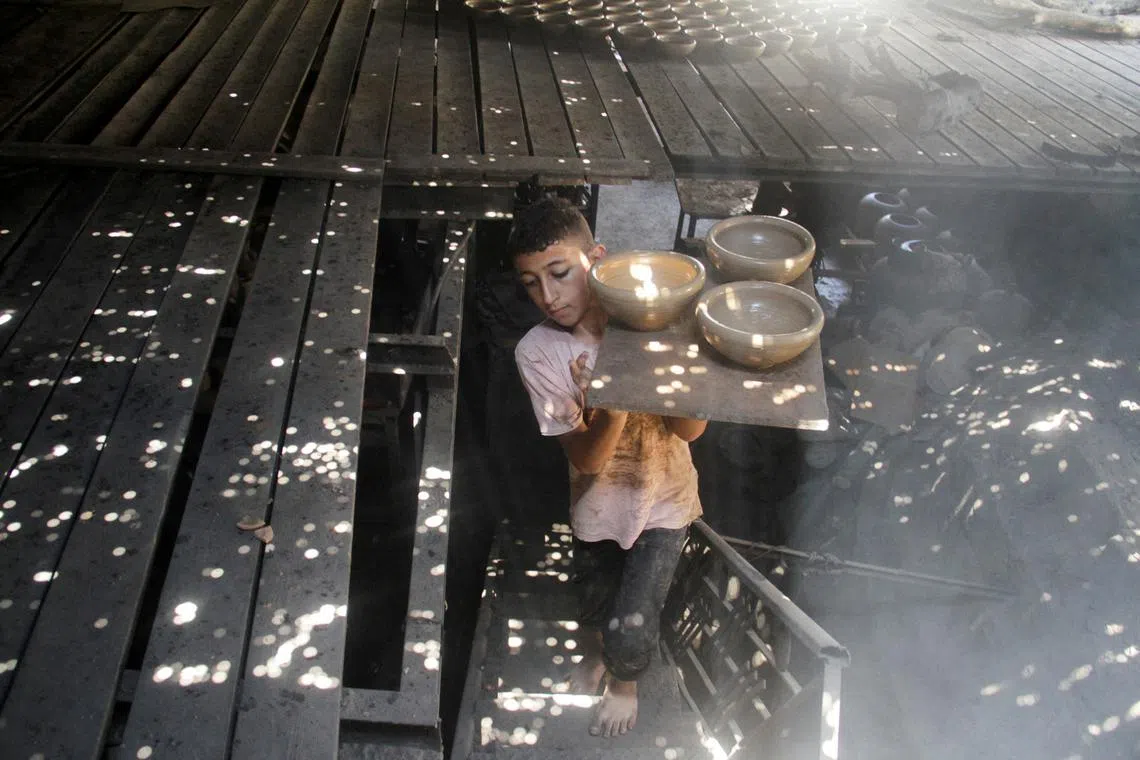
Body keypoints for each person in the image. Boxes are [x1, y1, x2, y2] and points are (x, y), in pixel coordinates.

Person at [507, 196, 706, 738]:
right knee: (593, 605)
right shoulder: (538, 352)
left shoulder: (652, 323)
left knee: (633, 621)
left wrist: (665, 362)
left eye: (560, 273)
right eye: (531, 283)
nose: (548, 296)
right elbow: (587, 458)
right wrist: (614, 399)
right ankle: (596, 656)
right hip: (596, 506)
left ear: (596, 257)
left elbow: (689, 432)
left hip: (666, 503)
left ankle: (624, 683)